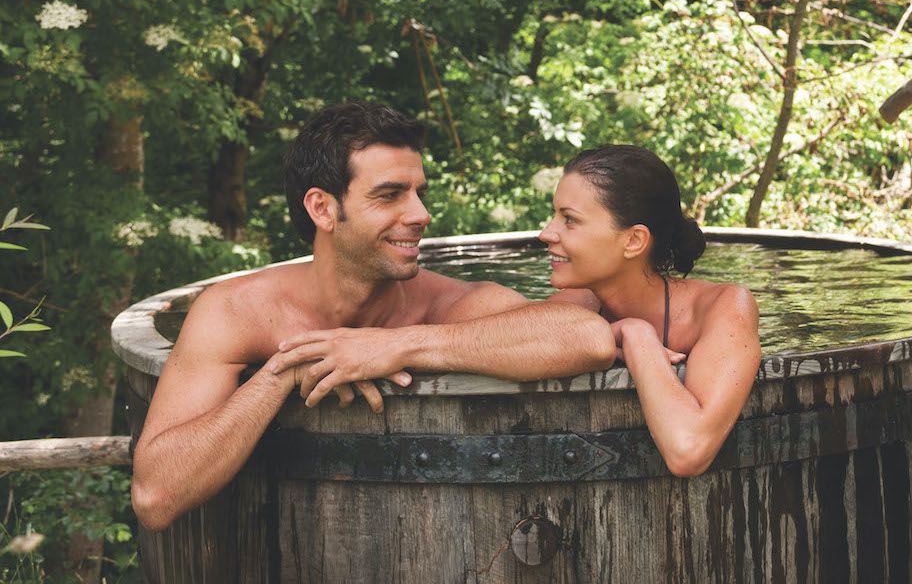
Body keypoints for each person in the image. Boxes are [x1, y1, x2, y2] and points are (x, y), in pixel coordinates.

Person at [131, 103, 616, 531]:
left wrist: (398, 344)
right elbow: (155, 497)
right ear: (323, 208)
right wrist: (282, 372)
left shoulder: (446, 304)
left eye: (419, 192)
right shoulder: (236, 311)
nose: (421, 213)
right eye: (390, 195)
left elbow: (586, 338)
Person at [538, 145, 761, 477]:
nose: (546, 233)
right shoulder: (578, 303)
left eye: (569, 219)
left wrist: (636, 337)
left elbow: (689, 450)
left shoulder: (723, 308)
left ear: (633, 241)